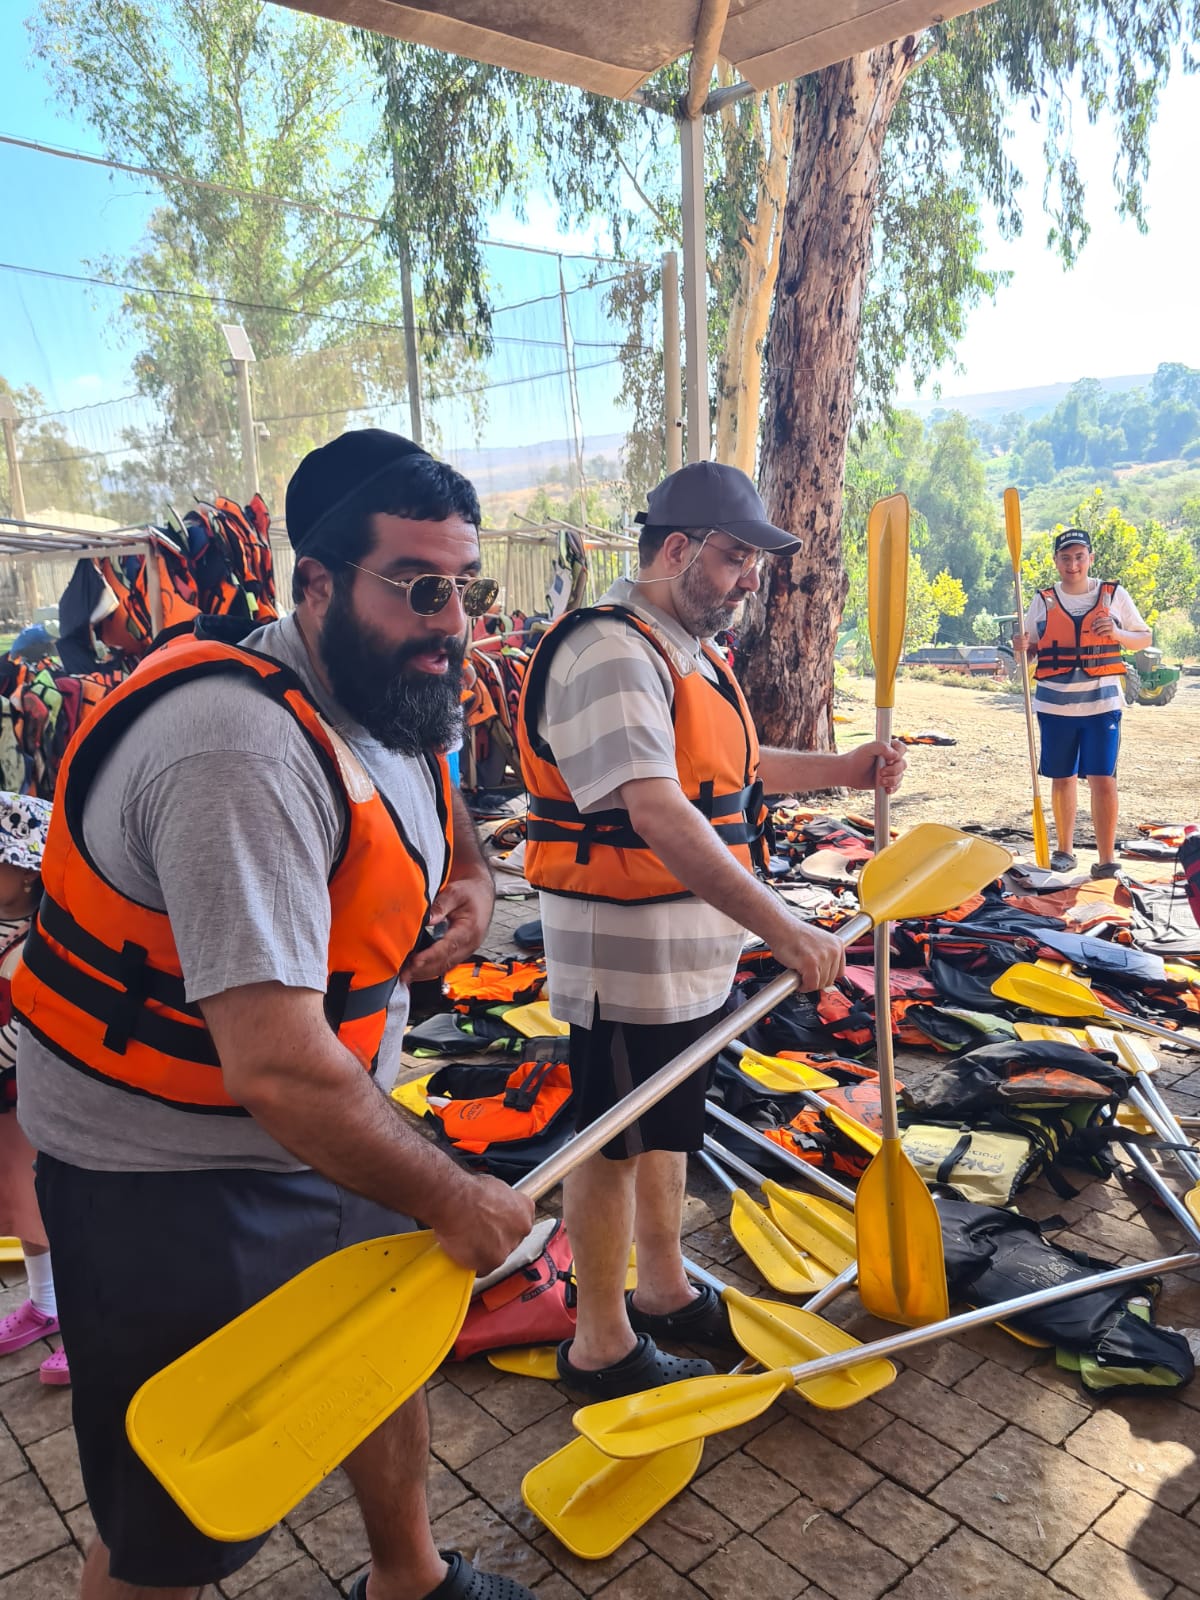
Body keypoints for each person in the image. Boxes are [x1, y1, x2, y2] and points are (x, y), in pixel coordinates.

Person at [14, 430, 537, 1600]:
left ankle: (409, 1576)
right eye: (419, 586)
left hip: (333, 1120)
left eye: (464, 586)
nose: (451, 621)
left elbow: (437, 803)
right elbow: (279, 1068)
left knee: (375, 1357)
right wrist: (452, 1191)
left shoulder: (391, 687)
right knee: (177, 1512)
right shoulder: (235, 752)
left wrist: (474, 882)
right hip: (167, 1170)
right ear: (314, 584)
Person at [515, 461, 905, 1399]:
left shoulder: (685, 650)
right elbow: (657, 813)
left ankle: (663, 1289)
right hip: (624, 953)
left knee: (666, 1130)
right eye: (736, 559)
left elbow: (734, 771)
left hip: (687, 957)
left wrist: (847, 768)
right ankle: (599, 1343)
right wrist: (786, 929)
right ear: (678, 549)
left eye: (754, 564)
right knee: (612, 1143)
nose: (748, 581)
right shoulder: (610, 651)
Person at [1015, 527, 1151, 878]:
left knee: (1102, 778)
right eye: (1065, 557)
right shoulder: (1042, 600)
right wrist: (1022, 649)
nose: (1072, 564)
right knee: (1062, 778)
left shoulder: (1113, 595)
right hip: (1055, 707)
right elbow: (1029, 652)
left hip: (1102, 705)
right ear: (1056, 561)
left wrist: (1117, 634)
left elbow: (1144, 636)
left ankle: (1106, 860)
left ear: (1090, 558)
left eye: (1079, 557)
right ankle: (1065, 851)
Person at [0, 792, 69, 1385]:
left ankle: (85, 1319)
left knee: (57, 1207)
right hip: (4, 1103)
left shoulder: (42, 942)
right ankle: (45, 1303)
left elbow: (35, 1022)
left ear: (26, 876)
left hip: (32, 1095)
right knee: (21, 1206)